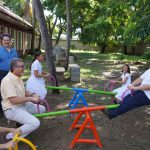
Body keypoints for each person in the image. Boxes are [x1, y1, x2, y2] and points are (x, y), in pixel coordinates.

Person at [1, 58, 46, 140]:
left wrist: (33, 94)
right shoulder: (8, 80)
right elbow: (13, 100)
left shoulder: (17, 76)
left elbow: (23, 91)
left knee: (42, 109)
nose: (24, 68)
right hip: (12, 109)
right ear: (14, 68)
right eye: (21, 66)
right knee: (35, 123)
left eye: (24, 66)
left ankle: (22, 126)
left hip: (22, 105)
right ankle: (9, 137)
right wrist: (30, 98)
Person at [0, 34, 18, 116]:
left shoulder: (14, 50)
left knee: (13, 90)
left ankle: (12, 107)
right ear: (2, 41)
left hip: (12, 73)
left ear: (10, 41)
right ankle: (2, 109)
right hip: (2, 73)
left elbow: (17, 62)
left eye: (8, 40)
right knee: (2, 91)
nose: (7, 41)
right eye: (5, 40)